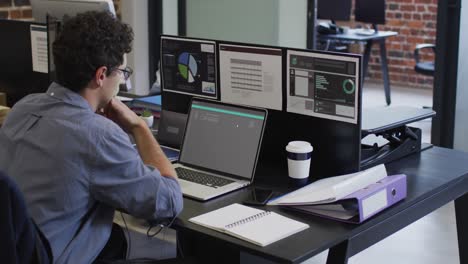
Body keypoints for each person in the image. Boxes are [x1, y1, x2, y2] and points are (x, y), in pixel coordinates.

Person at [0, 11, 183, 263]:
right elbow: (170, 201)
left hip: (22, 249)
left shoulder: (22, 109)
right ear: (100, 75)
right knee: (174, 250)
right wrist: (139, 127)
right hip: (55, 255)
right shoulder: (98, 135)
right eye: (122, 72)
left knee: (117, 235)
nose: (123, 81)